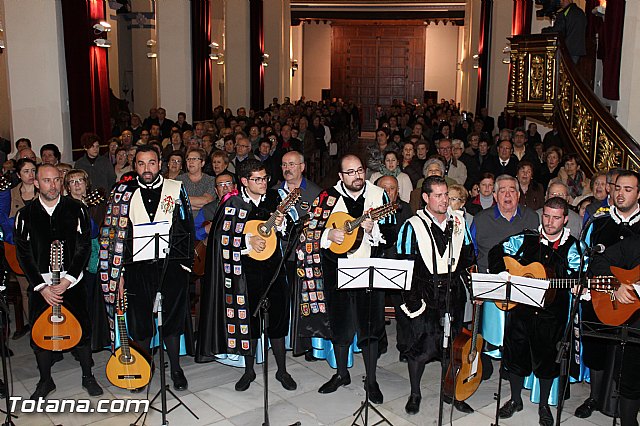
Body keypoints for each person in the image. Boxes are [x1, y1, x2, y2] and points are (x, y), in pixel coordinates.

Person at [296, 154, 389, 403]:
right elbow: (309, 231)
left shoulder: (378, 196)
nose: (357, 176)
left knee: (370, 328)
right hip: (336, 271)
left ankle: (371, 380)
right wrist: (329, 234)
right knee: (340, 327)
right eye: (350, 172)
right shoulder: (327, 198)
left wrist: (373, 231)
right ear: (341, 176)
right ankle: (341, 374)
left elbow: (390, 232)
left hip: (369, 271)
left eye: (360, 170)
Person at [198, 159, 296, 392]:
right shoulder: (232, 203)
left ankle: (282, 370)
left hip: (273, 271)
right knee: (249, 324)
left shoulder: (275, 198)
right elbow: (219, 240)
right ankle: (249, 370)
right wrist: (245, 240)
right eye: (258, 179)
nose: (263, 183)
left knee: (278, 322)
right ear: (244, 181)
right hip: (244, 274)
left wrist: (281, 225)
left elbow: (290, 230)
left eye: (265, 178)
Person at [103, 145, 194, 392]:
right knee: (141, 321)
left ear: (160, 163)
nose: (146, 169)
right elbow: (115, 236)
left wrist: (185, 265)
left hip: (172, 266)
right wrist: (118, 273)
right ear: (135, 166)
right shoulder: (123, 192)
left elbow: (187, 228)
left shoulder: (176, 189)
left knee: (173, 320)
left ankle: (176, 368)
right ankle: (144, 368)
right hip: (137, 269)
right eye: (141, 164)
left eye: (151, 163)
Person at [490, 197, 582, 426]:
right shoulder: (526, 238)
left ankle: (543, 406)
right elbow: (495, 252)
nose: (550, 222)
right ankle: (515, 400)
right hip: (520, 311)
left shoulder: (574, 247)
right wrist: (503, 273)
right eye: (547, 216)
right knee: (515, 356)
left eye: (556, 218)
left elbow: (581, 272)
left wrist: (578, 284)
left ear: (565, 219)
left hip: (552, 317)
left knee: (547, 361)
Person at [14, 164, 103, 399]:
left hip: (72, 282)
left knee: (82, 330)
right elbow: (23, 254)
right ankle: (45, 381)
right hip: (41, 287)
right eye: (46, 180)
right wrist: (41, 287)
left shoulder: (77, 209)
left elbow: (84, 246)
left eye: (56, 180)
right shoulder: (25, 215)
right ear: (36, 183)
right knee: (40, 334)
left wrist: (68, 280)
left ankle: (87, 375)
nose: (52, 185)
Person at [397, 176, 476, 415]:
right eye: (439, 196)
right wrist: (412, 300)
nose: (444, 201)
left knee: (453, 347)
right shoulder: (412, 226)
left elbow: (469, 256)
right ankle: (415, 393)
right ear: (426, 198)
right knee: (419, 348)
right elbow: (405, 265)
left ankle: (450, 391)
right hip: (424, 294)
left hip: (453, 294)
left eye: (446, 195)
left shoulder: (459, 222)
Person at [576, 170, 640, 420]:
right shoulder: (599, 221)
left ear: (638, 194)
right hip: (604, 296)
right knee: (598, 349)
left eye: (628, 189)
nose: (621, 193)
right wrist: (613, 285)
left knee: (632, 358)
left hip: (635, 308)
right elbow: (589, 258)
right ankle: (594, 396)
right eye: (618, 188)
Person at [470, 174, 539, 379]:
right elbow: (471, 252)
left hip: (521, 284)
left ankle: (513, 364)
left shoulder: (531, 217)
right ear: (494, 195)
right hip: (490, 285)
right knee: (485, 330)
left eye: (512, 190)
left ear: (518, 195)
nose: (507, 195)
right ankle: (485, 364)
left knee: (520, 330)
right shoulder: (481, 219)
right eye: (502, 190)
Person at [176, 148, 216, 216]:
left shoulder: (211, 180)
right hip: (183, 222)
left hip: (204, 222)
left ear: (202, 163)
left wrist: (183, 202)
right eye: (188, 159)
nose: (190, 162)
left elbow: (207, 201)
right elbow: (174, 201)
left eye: (194, 159)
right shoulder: (178, 180)